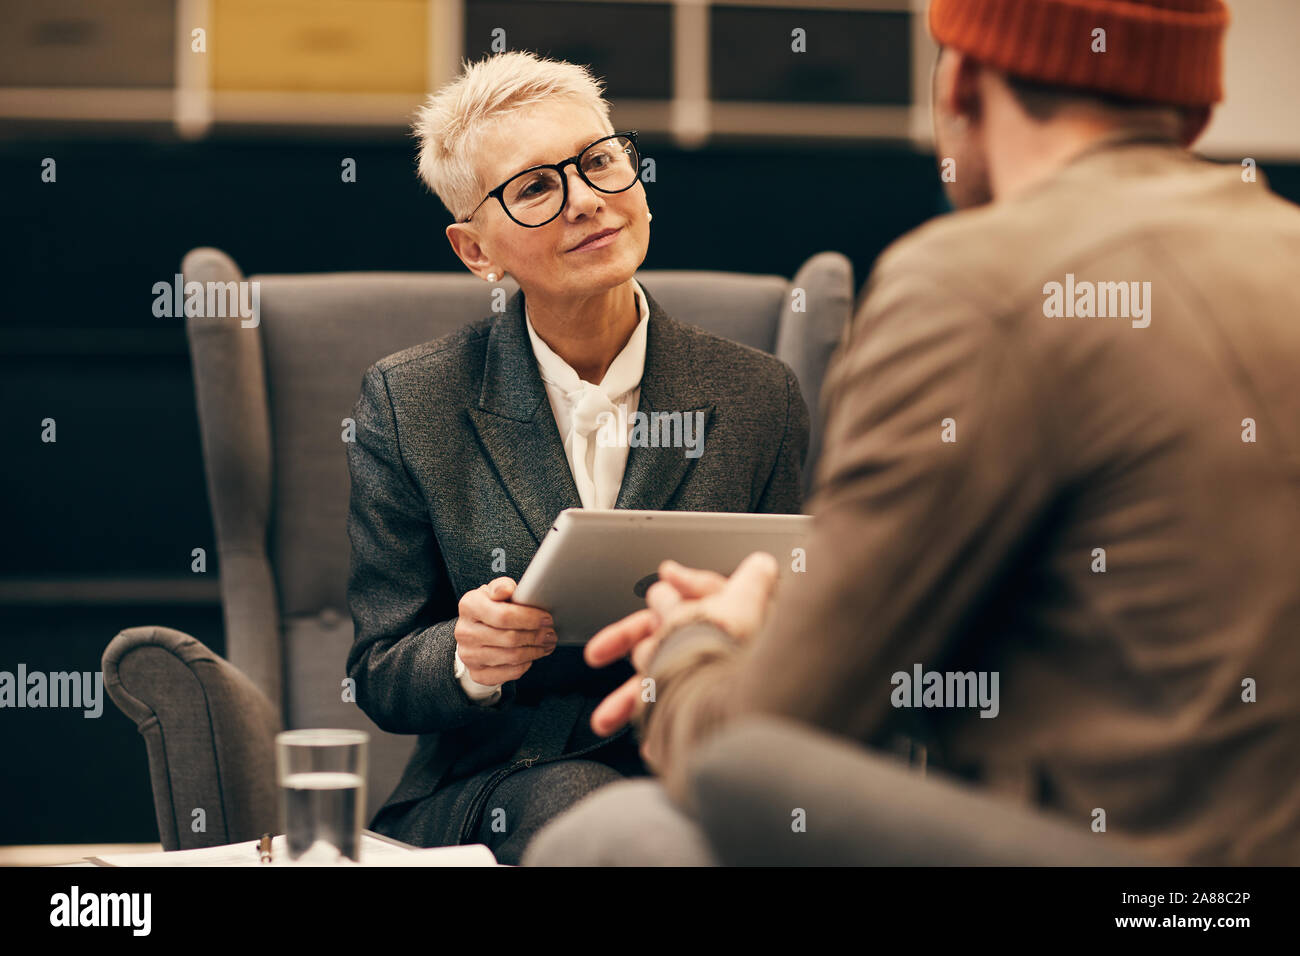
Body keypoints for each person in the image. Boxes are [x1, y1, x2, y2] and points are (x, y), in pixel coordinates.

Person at [525, 0, 1300, 866]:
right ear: (1189, 103)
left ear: (963, 78)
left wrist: (689, 652)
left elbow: (754, 745)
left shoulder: (971, 283)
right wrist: (798, 625)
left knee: (614, 832)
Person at [343, 50, 809, 865]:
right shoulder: (408, 402)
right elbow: (380, 669)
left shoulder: (758, 394)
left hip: (704, 766)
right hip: (496, 784)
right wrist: (466, 655)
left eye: (599, 161)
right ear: (474, 251)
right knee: (593, 807)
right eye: (534, 188)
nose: (588, 201)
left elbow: (796, 614)